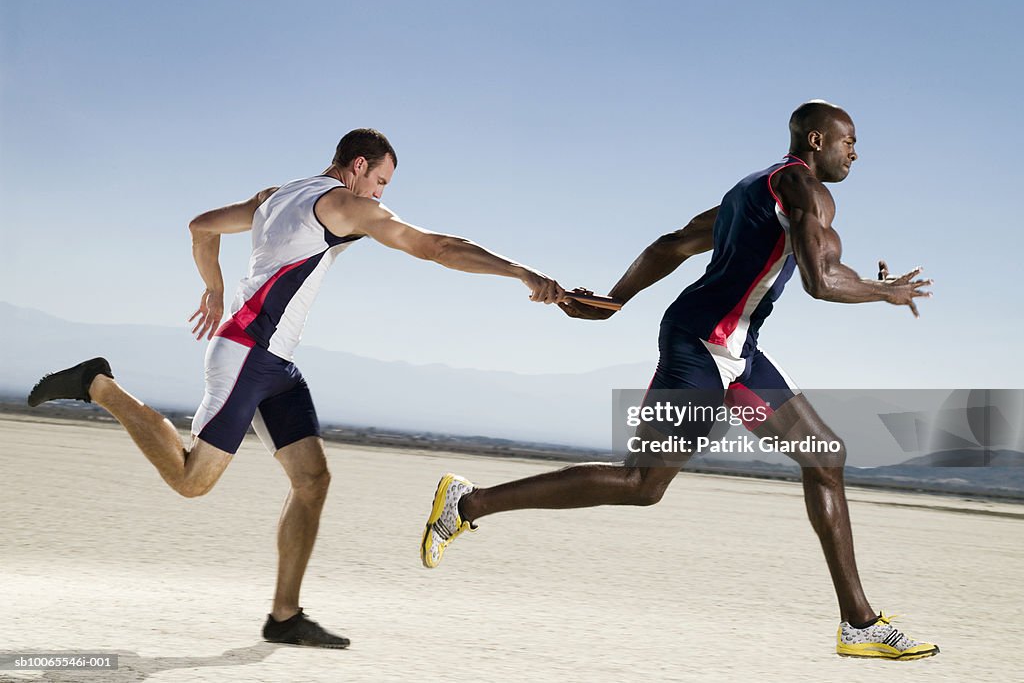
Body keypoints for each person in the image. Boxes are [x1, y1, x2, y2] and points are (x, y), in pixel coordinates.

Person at [420, 102, 939, 661]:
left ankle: (858, 624)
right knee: (641, 484)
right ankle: (466, 504)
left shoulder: (751, 190)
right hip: (700, 346)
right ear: (817, 140)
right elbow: (818, 280)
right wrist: (883, 293)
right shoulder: (804, 187)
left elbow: (673, 244)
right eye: (850, 141)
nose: (856, 152)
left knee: (824, 457)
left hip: (739, 351)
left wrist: (616, 300)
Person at [28, 128, 564, 649]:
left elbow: (201, 226)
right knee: (193, 481)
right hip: (246, 355)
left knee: (312, 480)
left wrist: (214, 288)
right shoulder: (344, 206)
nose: (380, 196)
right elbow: (436, 247)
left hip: (277, 364)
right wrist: (519, 272)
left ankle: (284, 616)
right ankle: (97, 384)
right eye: (381, 182)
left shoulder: (277, 195)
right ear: (358, 166)